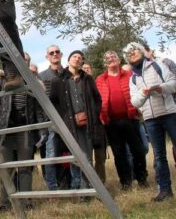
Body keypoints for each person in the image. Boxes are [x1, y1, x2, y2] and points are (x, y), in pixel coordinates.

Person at [0, 53, 45, 212]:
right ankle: (6, 202)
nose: (21, 61)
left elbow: (39, 109)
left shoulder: (32, 82)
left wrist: (42, 129)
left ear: (27, 63)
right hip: (5, 131)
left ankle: (26, 202)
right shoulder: (0, 83)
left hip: (25, 130)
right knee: (7, 168)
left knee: (25, 167)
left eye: (25, 59)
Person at [124, 42, 176, 202]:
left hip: (170, 114)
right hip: (150, 120)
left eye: (134, 50)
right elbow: (135, 102)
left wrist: (160, 88)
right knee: (159, 155)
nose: (132, 54)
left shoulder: (158, 65)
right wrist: (143, 93)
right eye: (129, 53)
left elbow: (173, 84)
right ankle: (165, 190)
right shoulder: (133, 78)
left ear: (141, 51)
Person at [49, 50, 103, 191]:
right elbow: (53, 103)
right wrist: (65, 120)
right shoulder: (58, 80)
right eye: (74, 57)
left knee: (87, 157)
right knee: (75, 157)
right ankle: (77, 186)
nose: (77, 59)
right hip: (69, 125)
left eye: (80, 58)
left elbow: (97, 99)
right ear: (68, 60)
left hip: (87, 124)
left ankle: (87, 189)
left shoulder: (88, 79)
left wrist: (92, 115)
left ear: (82, 63)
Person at [95, 51, 148, 189]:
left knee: (138, 151)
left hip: (130, 119)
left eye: (113, 57)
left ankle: (142, 179)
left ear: (119, 60)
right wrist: (101, 117)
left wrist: (139, 111)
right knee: (119, 154)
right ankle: (125, 182)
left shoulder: (129, 75)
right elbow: (97, 100)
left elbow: (139, 92)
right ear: (104, 63)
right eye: (107, 58)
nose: (111, 59)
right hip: (111, 122)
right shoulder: (100, 79)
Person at [38, 45, 71, 190]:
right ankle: (52, 188)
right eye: (51, 52)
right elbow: (40, 102)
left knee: (70, 154)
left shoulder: (69, 74)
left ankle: (70, 183)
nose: (55, 54)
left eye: (57, 52)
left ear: (61, 54)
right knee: (51, 156)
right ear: (47, 57)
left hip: (69, 121)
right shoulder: (42, 76)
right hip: (51, 122)